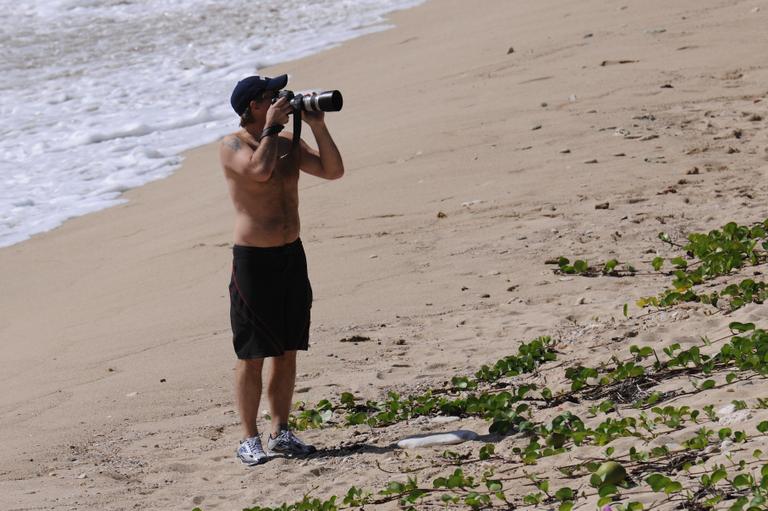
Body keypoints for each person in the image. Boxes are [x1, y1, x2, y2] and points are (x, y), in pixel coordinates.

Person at [219, 74, 344, 465]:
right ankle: (248, 438)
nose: (282, 99)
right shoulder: (233, 145)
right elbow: (258, 171)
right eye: (273, 96)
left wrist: (318, 126)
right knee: (253, 353)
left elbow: (332, 170)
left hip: (291, 255)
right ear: (254, 105)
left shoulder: (289, 142)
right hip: (253, 262)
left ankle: (281, 431)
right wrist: (273, 126)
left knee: (288, 349)